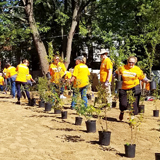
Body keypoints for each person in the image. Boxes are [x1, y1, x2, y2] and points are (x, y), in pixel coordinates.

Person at [116, 56, 149, 120]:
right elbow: (116, 72)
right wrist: (114, 76)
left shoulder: (137, 69)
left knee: (134, 103)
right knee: (123, 104)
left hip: (134, 87)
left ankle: (132, 119)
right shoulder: (122, 68)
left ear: (135, 62)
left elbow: (142, 77)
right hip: (124, 87)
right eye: (129, 62)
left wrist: (147, 80)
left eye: (133, 63)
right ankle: (122, 111)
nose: (131, 64)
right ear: (127, 62)